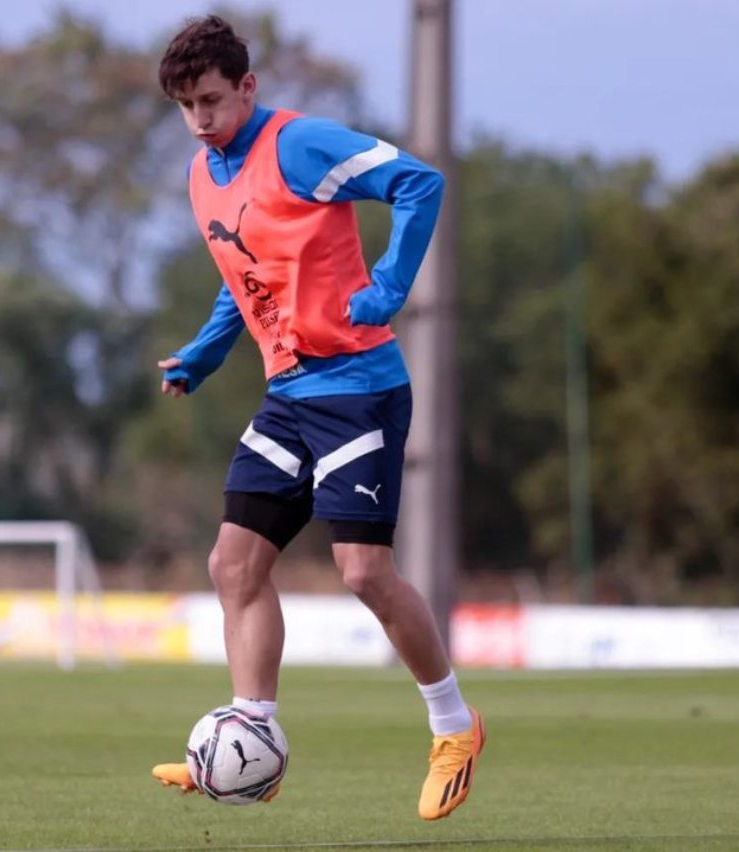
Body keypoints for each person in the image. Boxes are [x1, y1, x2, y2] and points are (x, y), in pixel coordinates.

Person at [149, 15, 483, 821]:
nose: (200, 118)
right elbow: (244, 274)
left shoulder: (299, 146)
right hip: (291, 396)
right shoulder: (203, 174)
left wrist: (393, 284)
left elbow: (420, 182)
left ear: (248, 87)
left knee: (363, 572)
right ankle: (248, 736)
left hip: (359, 387)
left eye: (213, 100)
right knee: (233, 566)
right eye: (187, 105)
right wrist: (205, 351)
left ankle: (454, 727)